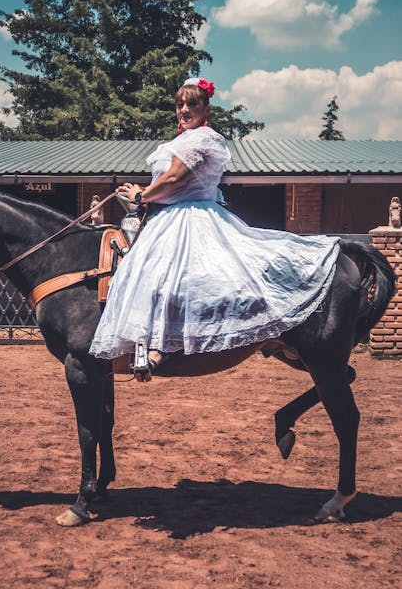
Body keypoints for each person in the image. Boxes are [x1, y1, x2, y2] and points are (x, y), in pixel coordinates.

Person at [89, 78, 340, 377]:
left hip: (191, 218)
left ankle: (163, 348)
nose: (184, 109)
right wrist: (138, 195)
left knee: (175, 277)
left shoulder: (204, 139)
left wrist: (142, 194)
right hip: (168, 216)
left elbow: (174, 180)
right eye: (180, 104)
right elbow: (167, 186)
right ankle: (145, 343)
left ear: (206, 108)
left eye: (192, 104)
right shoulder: (179, 141)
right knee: (143, 274)